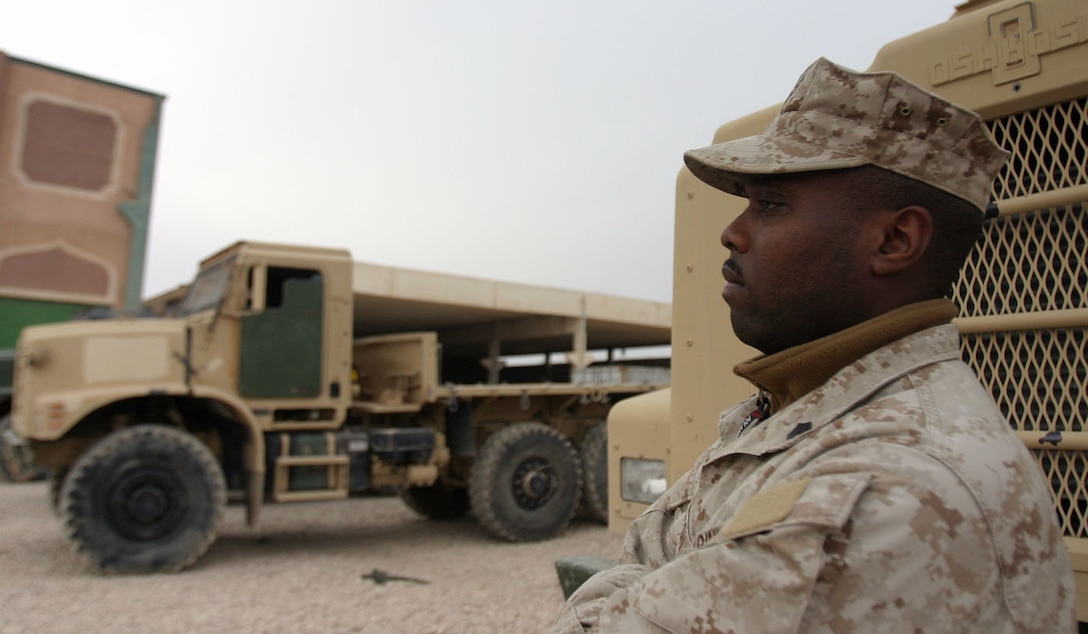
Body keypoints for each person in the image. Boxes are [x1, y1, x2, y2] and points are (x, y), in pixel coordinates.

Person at [552, 58, 1075, 633]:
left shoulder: (893, 490)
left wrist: (634, 590)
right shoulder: (799, 413)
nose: (732, 232)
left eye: (771, 204)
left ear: (895, 240)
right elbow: (642, 557)